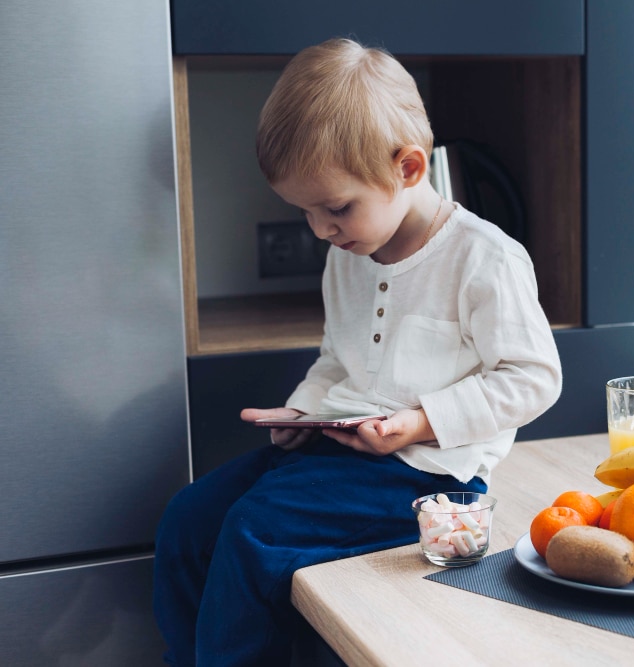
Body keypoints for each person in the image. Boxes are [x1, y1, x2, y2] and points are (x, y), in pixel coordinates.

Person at [152, 38, 562, 666]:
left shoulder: (484, 258)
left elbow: (533, 379)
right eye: (306, 212)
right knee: (187, 519)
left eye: (336, 208)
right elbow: (335, 359)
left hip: (430, 477)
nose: (320, 229)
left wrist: (420, 421)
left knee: (253, 527)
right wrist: (302, 413)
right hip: (339, 450)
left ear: (408, 169)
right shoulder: (349, 254)